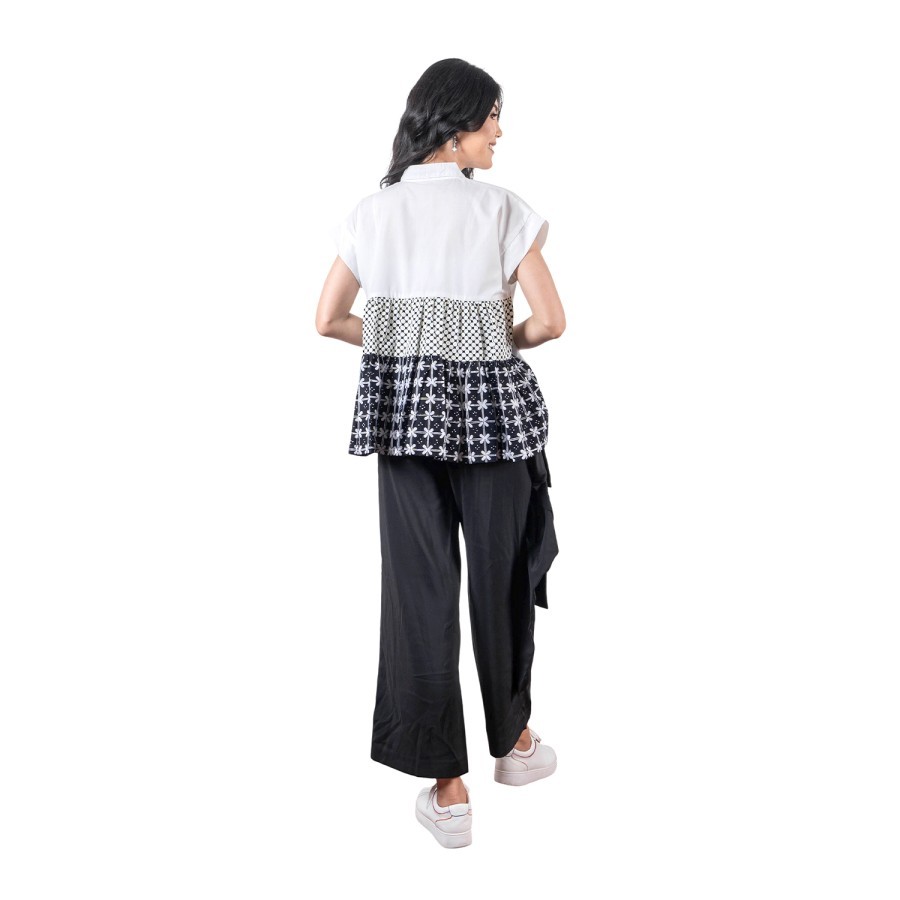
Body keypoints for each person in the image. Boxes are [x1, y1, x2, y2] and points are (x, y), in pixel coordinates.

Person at [315, 58, 565, 849]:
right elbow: (551, 322)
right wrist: (489, 338)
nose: (499, 133)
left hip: (404, 420)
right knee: (501, 575)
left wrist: (404, 342)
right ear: (456, 126)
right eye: (492, 118)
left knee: (418, 592)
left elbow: (328, 319)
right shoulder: (501, 209)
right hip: (495, 423)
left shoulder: (372, 213)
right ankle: (514, 744)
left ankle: (448, 791)